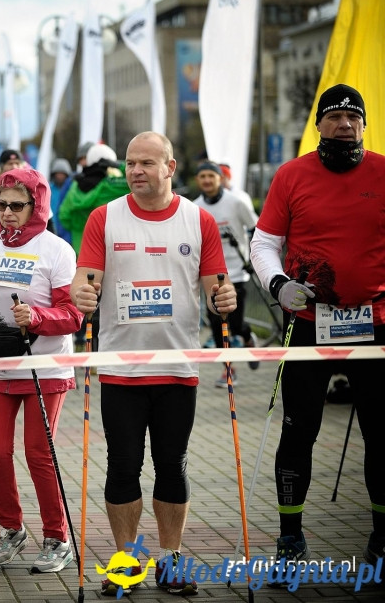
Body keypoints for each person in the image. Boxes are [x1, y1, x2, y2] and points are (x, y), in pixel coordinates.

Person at [71, 131, 235, 596]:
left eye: (146, 163)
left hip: (177, 367)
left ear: (170, 166)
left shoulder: (197, 221)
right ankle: (126, 560)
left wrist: (225, 298)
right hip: (121, 368)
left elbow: (217, 289)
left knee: (172, 465)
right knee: (122, 465)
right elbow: (85, 281)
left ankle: (171, 559)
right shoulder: (105, 218)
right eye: (130, 164)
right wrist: (81, 292)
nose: (136, 171)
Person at [249, 84, 385, 569]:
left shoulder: (383, 171)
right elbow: (263, 243)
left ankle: (382, 536)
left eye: (354, 116)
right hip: (308, 323)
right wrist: (279, 282)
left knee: (381, 433)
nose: (345, 124)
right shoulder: (292, 175)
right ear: (318, 125)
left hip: (375, 323)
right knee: (298, 429)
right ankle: (290, 534)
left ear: (364, 125)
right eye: (334, 117)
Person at [0, 166, 83, 573]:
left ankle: (56, 536)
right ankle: (11, 528)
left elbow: (74, 314)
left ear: (36, 206)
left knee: (38, 452)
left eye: (17, 206)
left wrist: (38, 318)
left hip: (43, 365)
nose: (7, 213)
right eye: (1, 205)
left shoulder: (56, 249)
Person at [193, 160, 260, 385]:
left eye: (211, 176)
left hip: (237, 272)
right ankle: (228, 370)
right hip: (210, 275)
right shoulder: (195, 207)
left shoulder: (236, 202)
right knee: (217, 326)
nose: (207, 180)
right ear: (198, 181)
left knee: (237, 325)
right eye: (202, 177)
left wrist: (253, 258)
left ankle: (248, 337)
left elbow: (255, 229)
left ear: (220, 178)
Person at [58, 143, 129, 256]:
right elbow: (136, 175)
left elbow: (63, 216)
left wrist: (79, 228)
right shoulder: (111, 186)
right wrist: (119, 165)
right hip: (111, 250)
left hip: (82, 251)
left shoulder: (75, 187)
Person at [48, 158, 73, 241]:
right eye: (58, 173)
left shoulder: (72, 189)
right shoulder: (49, 189)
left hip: (66, 229)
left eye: (62, 174)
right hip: (51, 227)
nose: (59, 176)